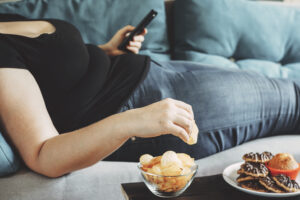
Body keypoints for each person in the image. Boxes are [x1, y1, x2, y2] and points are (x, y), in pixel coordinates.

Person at [0, 13, 299, 178]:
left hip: (150, 72)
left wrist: (106, 50)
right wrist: (133, 121)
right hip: (142, 102)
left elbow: (51, 74)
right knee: (295, 102)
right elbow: (43, 155)